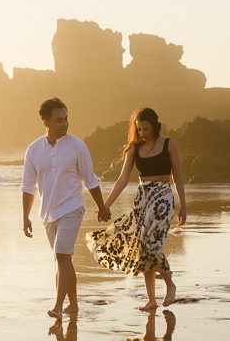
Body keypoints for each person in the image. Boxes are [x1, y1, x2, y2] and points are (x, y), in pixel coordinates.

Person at [86, 107, 187, 312]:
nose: (143, 133)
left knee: (153, 246)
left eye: (146, 129)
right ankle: (151, 300)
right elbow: (122, 179)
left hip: (163, 199)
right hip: (142, 199)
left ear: (155, 126)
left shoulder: (168, 144)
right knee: (143, 250)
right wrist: (106, 205)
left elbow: (177, 176)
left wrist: (183, 205)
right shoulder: (134, 148)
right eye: (139, 129)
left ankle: (170, 284)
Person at [22, 97, 111, 319]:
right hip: (48, 213)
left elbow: (90, 180)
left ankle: (58, 306)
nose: (65, 123)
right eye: (59, 120)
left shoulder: (77, 146)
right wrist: (25, 217)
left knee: (61, 254)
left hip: (72, 208)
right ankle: (73, 305)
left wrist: (102, 207)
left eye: (66, 119)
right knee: (63, 259)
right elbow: (28, 186)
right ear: (45, 122)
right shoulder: (33, 150)